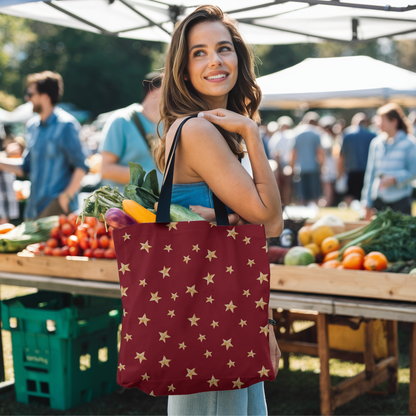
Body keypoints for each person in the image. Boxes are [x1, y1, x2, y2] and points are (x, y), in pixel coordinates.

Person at [154, 5, 282, 415]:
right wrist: (252, 132)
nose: (215, 61)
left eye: (223, 48)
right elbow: (272, 219)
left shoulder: (205, 127)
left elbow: (253, 228)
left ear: (238, 57)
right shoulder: (199, 130)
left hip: (223, 309)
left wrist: (264, 320)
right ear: (183, 68)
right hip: (211, 320)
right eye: (199, 52)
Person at [0, 71, 88, 219]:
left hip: (56, 210)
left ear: (45, 97)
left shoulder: (66, 125)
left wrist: (64, 199)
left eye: (30, 93)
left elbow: (81, 167)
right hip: (33, 210)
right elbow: (25, 167)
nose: (27, 98)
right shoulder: (32, 126)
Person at [100, 72, 163, 190]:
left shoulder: (166, 124)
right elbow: (105, 169)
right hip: (122, 204)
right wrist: (150, 179)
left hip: (154, 205)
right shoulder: (121, 120)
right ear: (153, 91)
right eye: (169, 89)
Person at [362, 103, 416, 219]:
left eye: (383, 120)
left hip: (401, 201)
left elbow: (413, 172)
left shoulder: (409, 144)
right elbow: (370, 174)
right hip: (380, 200)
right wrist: (367, 201)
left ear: (394, 121)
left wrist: (394, 179)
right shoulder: (376, 143)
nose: (379, 124)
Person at [338, 113, 376, 204]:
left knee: (350, 196)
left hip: (352, 171)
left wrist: (339, 172)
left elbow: (342, 155)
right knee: (365, 195)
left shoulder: (348, 136)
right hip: (367, 170)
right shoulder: (372, 135)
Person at [290, 112, 324, 205]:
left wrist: (292, 167)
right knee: (314, 194)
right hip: (313, 167)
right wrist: (322, 166)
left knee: (301, 195)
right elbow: (320, 152)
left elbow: (293, 152)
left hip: (300, 168)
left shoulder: (296, 132)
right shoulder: (316, 133)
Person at [268, 116, 295, 206]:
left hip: (282, 165)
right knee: (284, 185)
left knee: (284, 185)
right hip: (281, 165)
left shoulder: (277, 137)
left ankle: (285, 204)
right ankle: (285, 204)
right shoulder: (280, 137)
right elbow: (278, 154)